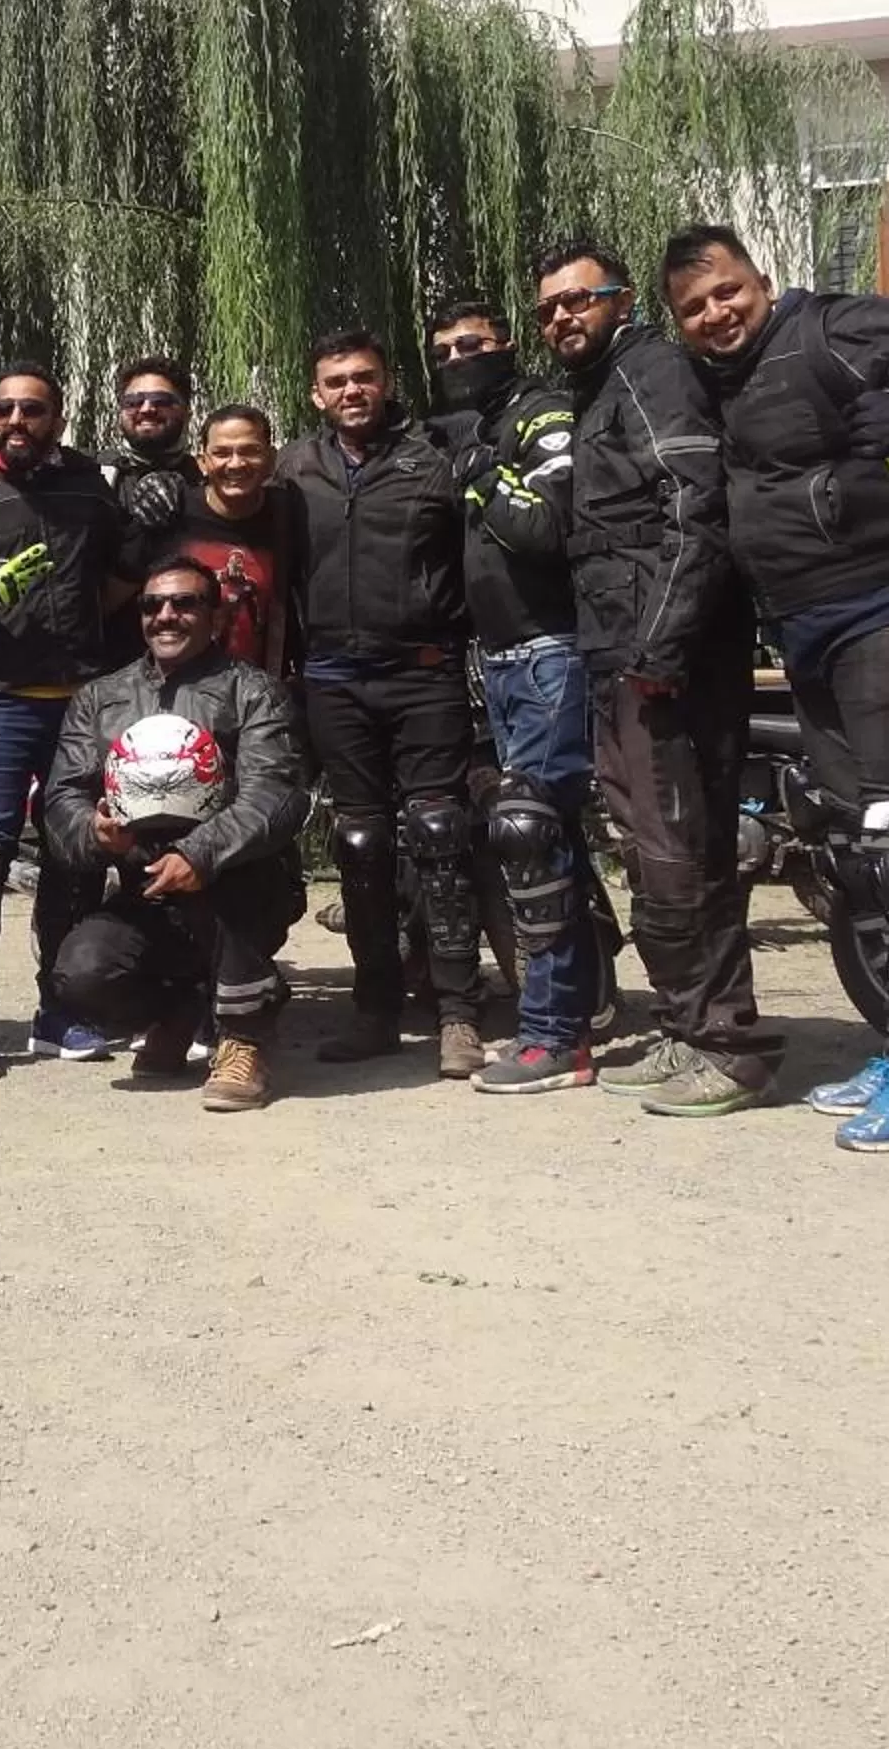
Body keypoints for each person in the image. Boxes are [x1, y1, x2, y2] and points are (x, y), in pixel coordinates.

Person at [665, 226, 889, 1149]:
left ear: (761, 281)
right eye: (694, 308)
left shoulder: (840, 329)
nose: (716, 314)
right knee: (859, 843)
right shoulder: (723, 383)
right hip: (809, 624)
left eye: (727, 292)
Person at [536, 243, 769, 1116]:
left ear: (620, 301)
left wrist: (661, 650)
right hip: (618, 653)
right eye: (549, 308)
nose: (563, 316)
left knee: (684, 852)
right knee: (651, 851)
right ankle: (686, 1026)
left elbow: (692, 508)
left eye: (579, 299)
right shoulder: (600, 388)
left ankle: (729, 1045)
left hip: (665, 661)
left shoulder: (653, 371)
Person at [275, 329, 488, 1079]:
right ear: (316, 394)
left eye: (364, 377)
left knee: (438, 833)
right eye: (335, 381)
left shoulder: (434, 459)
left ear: (387, 380)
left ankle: (459, 1011)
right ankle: (375, 1006)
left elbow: (480, 557)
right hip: (333, 677)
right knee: (361, 846)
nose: (351, 391)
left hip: (423, 672)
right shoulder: (292, 469)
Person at [42, 559, 310, 1112]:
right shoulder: (100, 698)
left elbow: (276, 797)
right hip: (147, 888)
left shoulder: (253, 692)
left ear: (213, 616)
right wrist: (95, 835)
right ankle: (182, 1009)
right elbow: (61, 798)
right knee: (81, 973)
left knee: (234, 893)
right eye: (152, 605)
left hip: (241, 886)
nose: (166, 616)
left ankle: (244, 1038)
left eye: (185, 604)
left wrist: (200, 853)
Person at [428, 294, 605, 1093]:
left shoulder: (540, 414)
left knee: (533, 836)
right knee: (538, 839)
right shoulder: (478, 425)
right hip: (497, 659)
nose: (461, 358)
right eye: (446, 350)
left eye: (475, 343)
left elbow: (549, 528)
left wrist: (485, 482)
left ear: (504, 344)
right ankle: (580, 1007)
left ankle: (554, 1036)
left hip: (548, 650)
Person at [0, 364, 121, 1076]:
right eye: (4, 409)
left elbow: (125, 575)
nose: (16, 421)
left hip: (79, 705)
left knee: (77, 862)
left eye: (31, 410)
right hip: (0, 700)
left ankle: (61, 1014)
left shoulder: (89, 492)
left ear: (57, 419)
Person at [155, 404, 297, 674]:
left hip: (260, 690)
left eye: (250, 451)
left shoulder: (291, 515)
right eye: (221, 453)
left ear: (271, 458)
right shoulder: (171, 513)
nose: (235, 464)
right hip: (177, 685)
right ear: (202, 462)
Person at [103, 355, 202, 528]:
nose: (147, 409)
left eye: (161, 401)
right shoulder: (93, 479)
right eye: (134, 402)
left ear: (187, 412)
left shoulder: (207, 482)